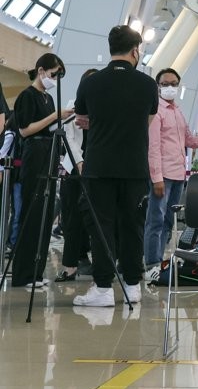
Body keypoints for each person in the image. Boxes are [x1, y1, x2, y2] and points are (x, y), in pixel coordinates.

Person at [73, 26, 158, 307]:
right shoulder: (147, 84)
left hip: (99, 166)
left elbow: (81, 117)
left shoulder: (91, 82)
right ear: (135, 51)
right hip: (134, 167)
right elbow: (147, 120)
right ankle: (132, 286)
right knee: (132, 226)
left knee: (102, 228)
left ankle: (103, 289)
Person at [142, 68, 198, 281]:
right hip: (162, 176)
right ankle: (151, 264)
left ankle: (159, 259)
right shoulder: (155, 112)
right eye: (165, 83)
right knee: (155, 220)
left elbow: (190, 141)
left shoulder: (177, 111)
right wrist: (156, 177)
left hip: (178, 175)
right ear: (158, 86)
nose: (170, 87)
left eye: (173, 83)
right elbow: (153, 147)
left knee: (167, 221)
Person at [11, 53, 73, 288]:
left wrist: (62, 119)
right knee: (31, 213)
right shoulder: (28, 96)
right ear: (41, 70)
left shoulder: (47, 97)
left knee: (45, 216)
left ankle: (36, 272)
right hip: (34, 154)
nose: (55, 79)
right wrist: (54, 117)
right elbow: (25, 130)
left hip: (47, 153)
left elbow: (48, 126)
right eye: (54, 73)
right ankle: (23, 273)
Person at [55, 68, 97, 283]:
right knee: (72, 220)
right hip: (75, 170)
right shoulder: (73, 107)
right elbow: (69, 138)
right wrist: (80, 162)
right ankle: (70, 266)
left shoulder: (104, 108)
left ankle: (95, 263)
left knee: (97, 220)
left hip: (99, 171)